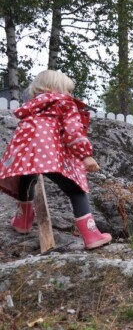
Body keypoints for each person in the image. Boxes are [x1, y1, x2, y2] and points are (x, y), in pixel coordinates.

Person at [0, 70, 112, 249]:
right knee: (76, 190)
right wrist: (85, 155)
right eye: (68, 90)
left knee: (26, 181)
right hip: (50, 154)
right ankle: (92, 236)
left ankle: (22, 223)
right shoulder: (65, 103)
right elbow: (72, 131)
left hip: (24, 153)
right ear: (56, 88)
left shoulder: (31, 108)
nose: (70, 94)